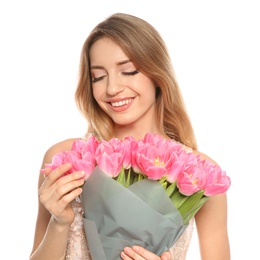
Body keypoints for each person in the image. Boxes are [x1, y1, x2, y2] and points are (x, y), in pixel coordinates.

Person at [29, 13, 230, 260]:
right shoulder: (67, 159)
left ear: (158, 74)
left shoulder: (200, 174)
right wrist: (59, 223)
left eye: (129, 71)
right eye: (99, 77)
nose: (112, 88)